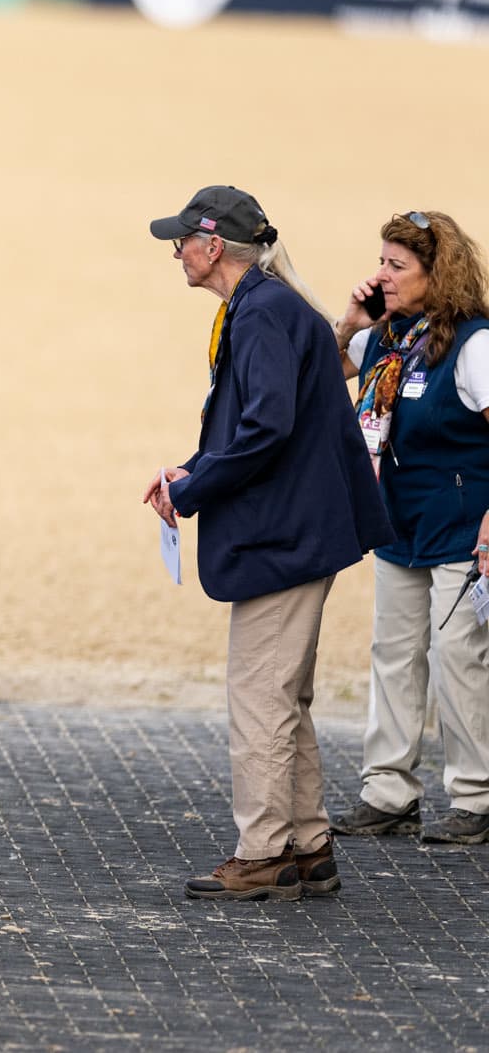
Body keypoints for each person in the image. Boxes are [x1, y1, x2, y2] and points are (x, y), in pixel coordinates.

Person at [142, 186, 390, 901]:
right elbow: (263, 426)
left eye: (182, 239)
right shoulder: (269, 307)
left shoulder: (260, 316)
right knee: (285, 695)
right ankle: (307, 846)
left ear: (214, 245)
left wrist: (190, 488)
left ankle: (261, 853)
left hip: (286, 534)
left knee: (258, 694)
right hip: (304, 527)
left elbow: (265, 428)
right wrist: (195, 468)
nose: (176, 251)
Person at [328, 210, 489, 846]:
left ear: (436, 274)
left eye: (397, 266)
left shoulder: (476, 346)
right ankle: (388, 793)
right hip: (398, 524)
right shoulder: (386, 340)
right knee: (392, 655)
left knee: (459, 660)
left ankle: (475, 797)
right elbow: (317, 369)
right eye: (381, 262)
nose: (382, 276)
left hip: (461, 529)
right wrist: (349, 320)